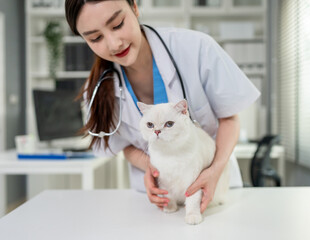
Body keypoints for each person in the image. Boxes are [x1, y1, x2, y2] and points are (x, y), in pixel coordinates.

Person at [65, 0, 260, 213]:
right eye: (96, 38)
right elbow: (123, 146)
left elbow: (229, 118)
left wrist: (214, 171)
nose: (114, 44)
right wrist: (152, 167)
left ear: (135, 7)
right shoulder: (97, 89)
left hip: (215, 193)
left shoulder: (196, 48)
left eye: (118, 24)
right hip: (157, 201)